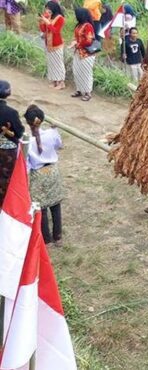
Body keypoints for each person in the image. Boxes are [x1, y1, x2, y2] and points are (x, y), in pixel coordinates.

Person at [24, 105, 64, 247]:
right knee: (55, 204)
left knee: (41, 207)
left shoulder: (27, 141)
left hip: (38, 174)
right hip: (52, 171)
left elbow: (27, 165)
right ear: (42, 120)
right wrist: (55, 130)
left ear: (28, 123)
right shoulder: (51, 133)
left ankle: (46, 240)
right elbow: (60, 145)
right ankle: (58, 237)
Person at [0, 80, 23, 207]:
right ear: (7, 93)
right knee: (5, 178)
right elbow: (19, 132)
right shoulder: (11, 112)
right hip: (6, 151)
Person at [69, 8, 96, 102]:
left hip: (86, 54)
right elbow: (76, 37)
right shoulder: (79, 25)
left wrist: (77, 44)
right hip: (78, 52)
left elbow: (89, 41)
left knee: (86, 73)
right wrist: (73, 42)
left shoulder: (88, 26)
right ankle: (79, 90)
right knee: (77, 71)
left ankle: (88, 92)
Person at [39, 1, 66, 90]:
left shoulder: (60, 18)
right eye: (46, 10)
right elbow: (43, 30)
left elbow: (55, 31)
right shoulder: (48, 16)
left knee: (58, 64)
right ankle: (54, 81)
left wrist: (48, 22)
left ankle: (61, 82)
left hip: (56, 44)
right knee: (51, 63)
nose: (47, 12)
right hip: (48, 44)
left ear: (54, 9)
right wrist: (42, 22)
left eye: (49, 11)